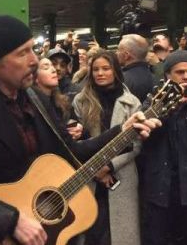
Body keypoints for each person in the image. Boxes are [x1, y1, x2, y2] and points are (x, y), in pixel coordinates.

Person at [0, 15, 160, 245]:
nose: (34, 60)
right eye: (22, 53)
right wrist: (10, 220)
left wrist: (122, 131)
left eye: (32, 50)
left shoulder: (36, 101)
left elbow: (72, 152)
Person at [72, 50, 142, 245]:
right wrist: (95, 170)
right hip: (88, 177)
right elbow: (75, 143)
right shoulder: (81, 101)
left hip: (121, 175)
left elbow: (136, 145)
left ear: (116, 71)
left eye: (105, 68)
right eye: (95, 69)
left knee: (118, 234)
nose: (100, 73)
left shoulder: (131, 103)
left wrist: (108, 166)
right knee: (91, 233)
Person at [140, 50, 187, 245]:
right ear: (167, 75)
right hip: (161, 188)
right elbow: (142, 130)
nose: (185, 77)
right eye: (179, 72)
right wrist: (167, 107)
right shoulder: (154, 99)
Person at [116, 34, 154, 103]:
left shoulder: (121, 80)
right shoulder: (154, 76)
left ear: (126, 55)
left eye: (118, 50)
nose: (116, 53)